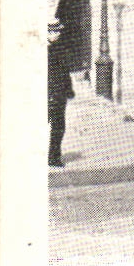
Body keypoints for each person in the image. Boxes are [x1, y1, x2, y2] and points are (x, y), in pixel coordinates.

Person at [48, 19, 73, 167]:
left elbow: (65, 72)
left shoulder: (60, 48)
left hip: (59, 93)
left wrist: (69, 90)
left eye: (58, 31)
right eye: (54, 31)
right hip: (50, 92)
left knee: (59, 126)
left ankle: (54, 157)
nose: (57, 34)